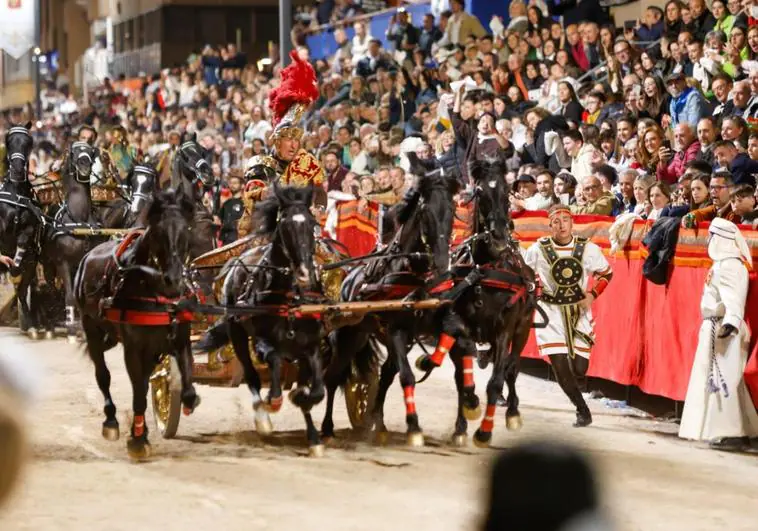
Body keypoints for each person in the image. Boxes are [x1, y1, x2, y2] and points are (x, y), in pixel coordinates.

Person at [524, 205, 613, 427]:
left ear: (572, 223)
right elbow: (524, 274)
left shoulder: (588, 249)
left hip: (579, 311)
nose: (562, 224)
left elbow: (606, 273)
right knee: (560, 366)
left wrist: (593, 294)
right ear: (550, 224)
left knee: (580, 369)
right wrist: (533, 288)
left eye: (566, 219)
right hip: (550, 311)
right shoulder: (538, 249)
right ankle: (582, 410)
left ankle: (578, 388)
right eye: (556, 221)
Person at [679, 218, 758, 452]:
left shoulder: (730, 266)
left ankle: (731, 431)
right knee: (718, 380)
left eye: (713, 236)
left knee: (725, 381)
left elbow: (734, 299)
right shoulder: (721, 264)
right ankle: (739, 428)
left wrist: (731, 323)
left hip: (725, 329)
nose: (709, 241)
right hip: (715, 326)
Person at [218, 173, 244, 246]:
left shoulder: (245, 203)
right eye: (231, 183)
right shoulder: (226, 203)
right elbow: (219, 220)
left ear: (242, 185)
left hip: (239, 240)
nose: (232, 185)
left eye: (235, 183)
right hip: (226, 240)